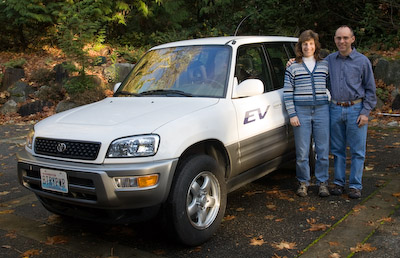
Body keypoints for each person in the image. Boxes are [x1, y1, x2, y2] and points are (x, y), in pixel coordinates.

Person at [326, 25, 377, 199]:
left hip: (356, 109)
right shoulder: (329, 60)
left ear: (352, 39)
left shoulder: (362, 61)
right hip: (335, 108)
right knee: (337, 150)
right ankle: (339, 183)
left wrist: (365, 112)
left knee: (357, 150)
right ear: (335, 40)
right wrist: (294, 62)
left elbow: (370, 89)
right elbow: (312, 69)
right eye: (339, 38)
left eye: (345, 38)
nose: (342, 41)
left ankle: (355, 185)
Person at [283, 30, 330, 197]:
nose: (308, 47)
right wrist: (292, 114)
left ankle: (322, 182)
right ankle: (303, 182)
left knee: (323, 150)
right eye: (305, 44)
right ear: (300, 46)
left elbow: (331, 86)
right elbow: (288, 92)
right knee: (302, 152)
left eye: (310, 43)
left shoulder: (325, 64)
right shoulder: (293, 66)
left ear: (315, 45)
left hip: (322, 110)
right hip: (301, 112)